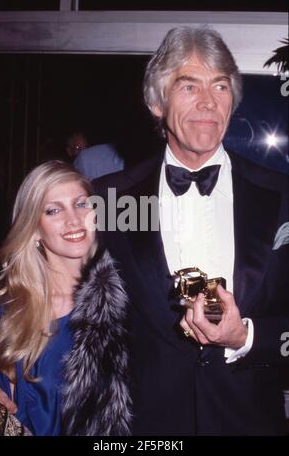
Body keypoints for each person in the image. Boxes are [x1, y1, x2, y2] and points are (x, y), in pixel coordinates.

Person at [93, 26, 289, 435]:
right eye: (188, 86)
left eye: (220, 86)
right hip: (147, 431)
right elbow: (77, 315)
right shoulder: (114, 199)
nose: (207, 102)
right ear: (156, 103)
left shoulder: (280, 196)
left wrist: (246, 337)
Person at [0, 160, 131, 436]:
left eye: (81, 204)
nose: (74, 220)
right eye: (54, 210)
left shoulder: (131, 303)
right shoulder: (10, 309)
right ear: (34, 230)